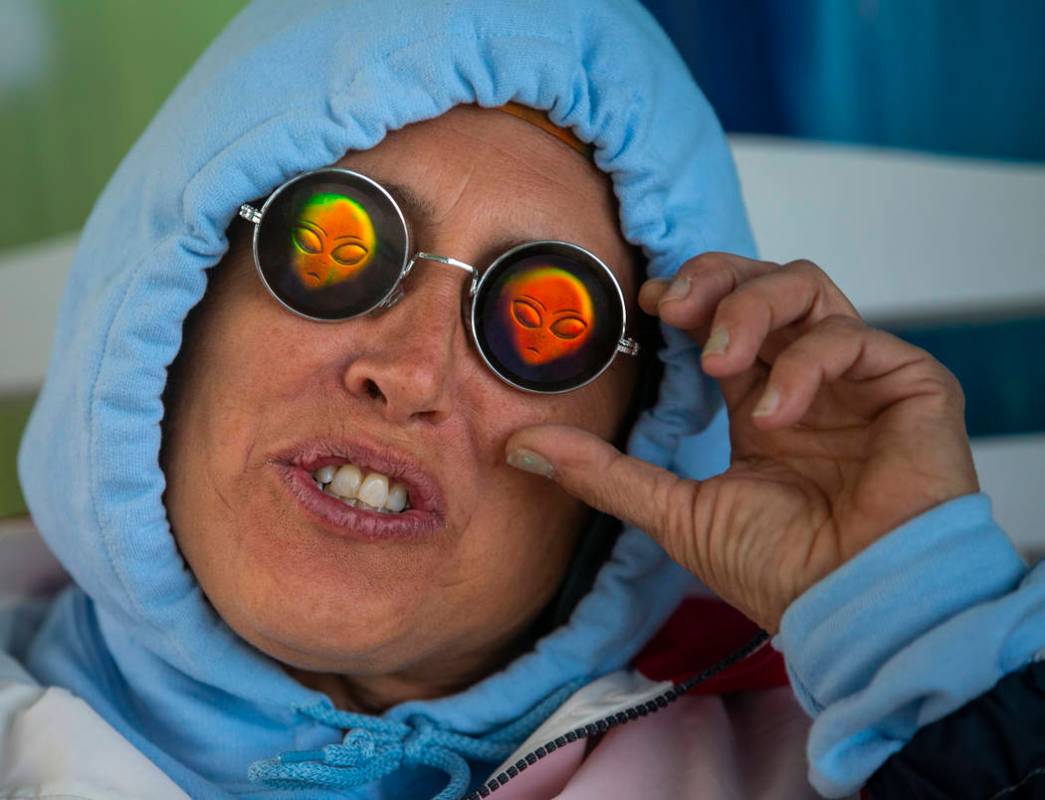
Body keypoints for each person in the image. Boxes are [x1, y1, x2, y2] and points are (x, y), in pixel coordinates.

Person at [2, 1, 1044, 799]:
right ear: (163, 324)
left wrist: (924, 640)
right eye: (335, 249)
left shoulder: (830, 761)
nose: (408, 374)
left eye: (544, 321)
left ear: (637, 435)